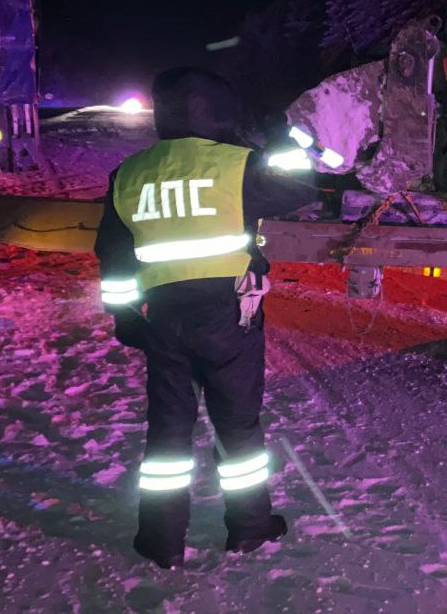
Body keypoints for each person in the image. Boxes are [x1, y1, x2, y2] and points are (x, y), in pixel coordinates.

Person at [94, 67, 318, 569]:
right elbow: (305, 187)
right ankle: (249, 529)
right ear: (220, 110)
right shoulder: (238, 166)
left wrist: (125, 316)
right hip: (228, 318)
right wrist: (279, 142)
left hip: (162, 318)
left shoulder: (129, 173)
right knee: (238, 427)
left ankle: (160, 541)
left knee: (168, 433)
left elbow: (112, 253)